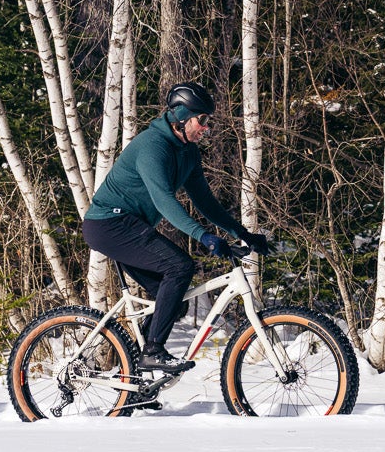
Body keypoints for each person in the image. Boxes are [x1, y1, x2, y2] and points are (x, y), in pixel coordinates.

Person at [83, 82, 270, 374]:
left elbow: (205, 201)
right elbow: (164, 201)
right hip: (109, 224)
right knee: (180, 267)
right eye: (202, 120)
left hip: (130, 227)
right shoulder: (152, 147)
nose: (207, 128)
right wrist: (203, 236)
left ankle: (133, 376)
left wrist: (241, 233)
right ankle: (153, 352)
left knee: (174, 303)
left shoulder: (188, 152)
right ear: (181, 117)